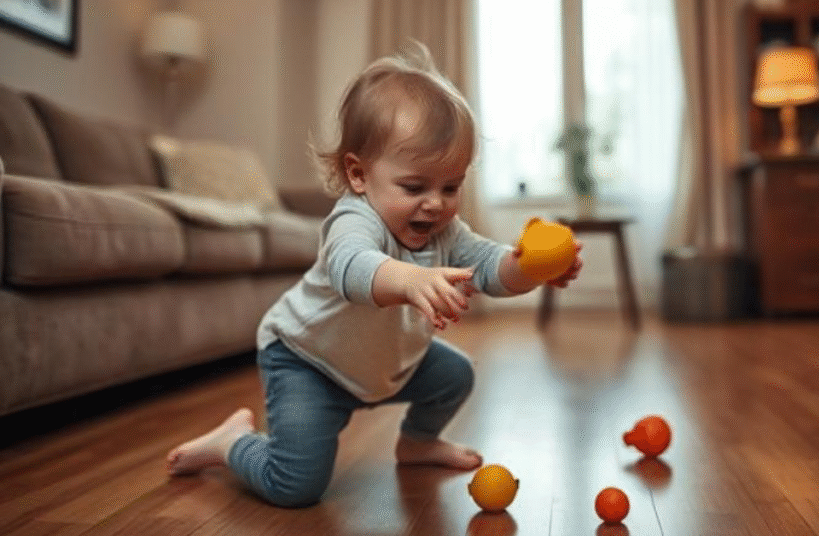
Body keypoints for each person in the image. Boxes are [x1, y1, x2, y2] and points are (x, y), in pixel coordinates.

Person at [164, 45, 583, 508]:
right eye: (414, 186)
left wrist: (529, 268)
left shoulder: (446, 230)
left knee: (454, 375)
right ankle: (232, 442)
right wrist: (409, 279)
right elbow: (351, 267)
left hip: (381, 364)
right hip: (308, 362)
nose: (435, 203)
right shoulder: (354, 220)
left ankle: (418, 443)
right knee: (295, 486)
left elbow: (488, 268)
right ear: (359, 175)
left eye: (451, 186)